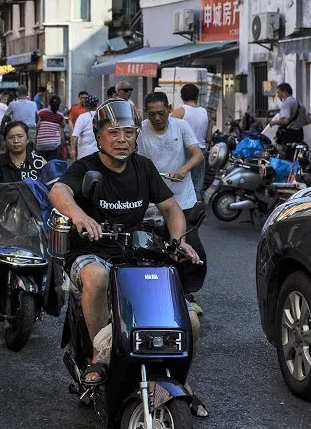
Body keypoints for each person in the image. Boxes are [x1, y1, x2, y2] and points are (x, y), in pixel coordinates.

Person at [48, 98, 200, 385]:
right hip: (90, 253)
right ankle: (99, 356)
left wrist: (178, 241)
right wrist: (80, 217)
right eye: (114, 133)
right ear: (98, 137)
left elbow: (171, 208)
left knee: (190, 320)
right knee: (97, 276)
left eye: (128, 133)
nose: (121, 140)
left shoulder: (143, 168)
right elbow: (58, 192)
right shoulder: (85, 167)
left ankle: (179, 379)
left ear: (135, 137)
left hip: (134, 255)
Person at [138, 92, 207, 305]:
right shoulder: (140, 130)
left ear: (169, 108)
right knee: (152, 248)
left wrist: (184, 169)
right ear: (145, 113)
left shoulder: (181, 126)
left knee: (188, 246)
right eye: (152, 115)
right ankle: (154, 292)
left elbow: (197, 154)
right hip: (153, 201)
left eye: (161, 113)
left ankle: (186, 293)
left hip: (182, 198)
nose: (157, 118)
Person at [172, 84, 212, 200]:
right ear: (197, 96)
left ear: (181, 96)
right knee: (197, 186)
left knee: (180, 183)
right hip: (201, 151)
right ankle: (197, 212)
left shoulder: (179, 112)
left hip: (183, 150)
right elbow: (209, 138)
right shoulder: (206, 113)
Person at [0, 120, 47, 185]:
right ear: (5, 141)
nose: (16, 141)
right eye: (11, 137)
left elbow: (54, 183)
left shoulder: (39, 162)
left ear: (27, 139)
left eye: (20, 136)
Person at [268, 83, 310, 155]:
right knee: (296, 156)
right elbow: (308, 120)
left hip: (288, 135)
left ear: (284, 93)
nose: (277, 95)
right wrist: (297, 124)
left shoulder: (287, 103)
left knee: (286, 158)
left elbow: (285, 120)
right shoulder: (300, 103)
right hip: (299, 134)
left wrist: (273, 122)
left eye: (278, 92)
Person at [36, 95, 66, 160]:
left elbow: (37, 126)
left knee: (40, 164)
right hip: (54, 144)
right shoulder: (60, 115)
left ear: (49, 103)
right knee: (52, 164)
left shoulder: (41, 112)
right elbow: (63, 125)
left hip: (41, 144)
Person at [71, 94, 100, 160]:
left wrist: (72, 150)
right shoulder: (101, 116)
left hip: (85, 154)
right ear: (97, 105)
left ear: (86, 106)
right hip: (99, 153)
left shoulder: (82, 117)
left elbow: (75, 135)